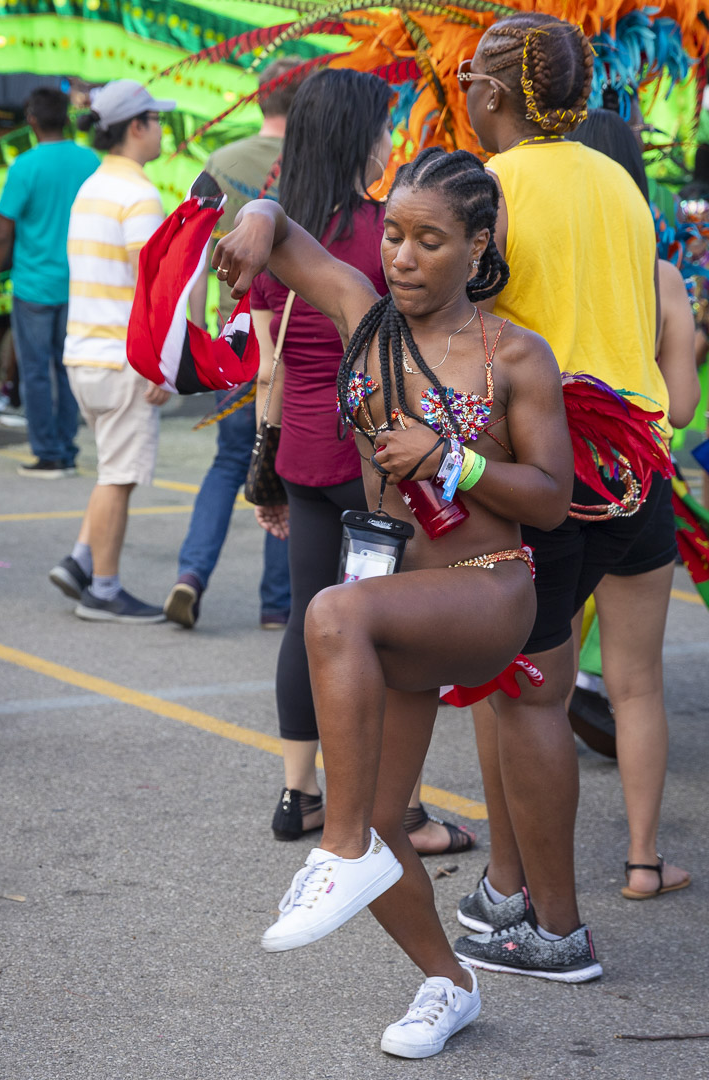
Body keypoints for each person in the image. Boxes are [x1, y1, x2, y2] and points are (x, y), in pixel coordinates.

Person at [212, 145, 574, 1057]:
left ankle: (334, 851)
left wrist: (455, 457)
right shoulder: (364, 320)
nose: (404, 257)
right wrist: (258, 220)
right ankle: (446, 982)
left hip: (489, 590)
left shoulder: (514, 353)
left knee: (331, 612)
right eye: (396, 237)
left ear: (477, 246)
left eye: (429, 240)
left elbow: (552, 499)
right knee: (383, 818)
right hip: (403, 599)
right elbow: (289, 235)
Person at [449, 14, 678, 978]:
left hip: (541, 476)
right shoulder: (619, 182)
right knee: (605, 685)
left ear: (496, 95)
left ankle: (543, 920)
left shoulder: (492, 187)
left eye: (470, 77)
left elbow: (471, 329)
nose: (461, 88)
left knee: (521, 702)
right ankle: (513, 891)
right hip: (638, 469)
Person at [251, 68, 474, 858]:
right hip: (374, 454)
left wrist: (264, 469)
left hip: (303, 452)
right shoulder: (387, 234)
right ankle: (402, 812)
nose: (390, 141)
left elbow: (267, 364)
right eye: (385, 127)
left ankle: (298, 794)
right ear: (360, 136)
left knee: (312, 614)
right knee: (388, 631)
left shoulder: (285, 238)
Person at [565, 108, 697, 899]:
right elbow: (680, 407)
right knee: (637, 683)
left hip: (552, 484)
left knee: (536, 680)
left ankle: (528, 872)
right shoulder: (661, 275)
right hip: (639, 482)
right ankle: (644, 862)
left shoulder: (538, 262)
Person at [163, 56, 302, 631]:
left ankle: (190, 576)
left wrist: (199, 337)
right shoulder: (310, 166)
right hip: (295, 341)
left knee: (227, 462)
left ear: (260, 98)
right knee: (285, 467)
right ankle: (276, 606)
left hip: (236, 338)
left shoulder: (222, 161)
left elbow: (196, 264)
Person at [48, 80, 175, 622]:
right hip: (122, 359)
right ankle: (103, 588)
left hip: (84, 353)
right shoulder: (139, 195)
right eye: (157, 119)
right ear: (136, 127)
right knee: (116, 477)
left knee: (109, 466)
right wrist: (162, 365)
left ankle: (80, 561)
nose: (163, 129)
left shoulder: (93, 186)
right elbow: (153, 286)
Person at [0, 88, 99, 475]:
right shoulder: (91, 161)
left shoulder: (24, 166)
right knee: (68, 368)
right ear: (67, 117)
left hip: (34, 287)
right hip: (79, 285)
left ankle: (48, 453)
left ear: (32, 121)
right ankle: (66, 448)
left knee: (36, 372)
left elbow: (3, 232)